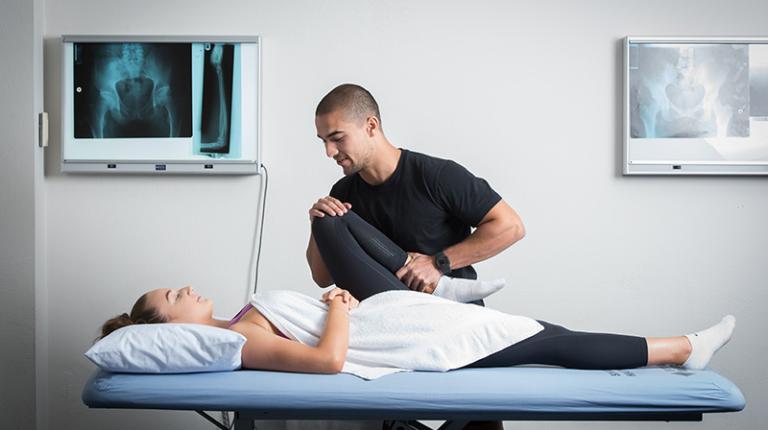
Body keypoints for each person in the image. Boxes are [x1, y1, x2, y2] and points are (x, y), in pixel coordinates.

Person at [99, 281, 736, 377]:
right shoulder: (233, 339)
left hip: (389, 316)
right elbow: (326, 362)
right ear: (165, 328)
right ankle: (682, 349)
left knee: (538, 331)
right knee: (545, 340)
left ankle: (666, 352)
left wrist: (340, 300)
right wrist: (340, 306)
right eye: (172, 296)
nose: (184, 287)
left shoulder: (236, 321)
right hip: (398, 338)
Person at [307, 83, 526, 304]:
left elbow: (511, 227)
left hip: (450, 310)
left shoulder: (436, 176)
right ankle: (438, 290)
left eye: (337, 138)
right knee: (327, 221)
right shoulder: (343, 192)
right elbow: (322, 278)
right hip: (393, 309)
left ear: (371, 126)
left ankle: (443, 288)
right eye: (324, 141)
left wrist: (438, 263)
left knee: (332, 221)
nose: (329, 152)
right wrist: (316, 222)